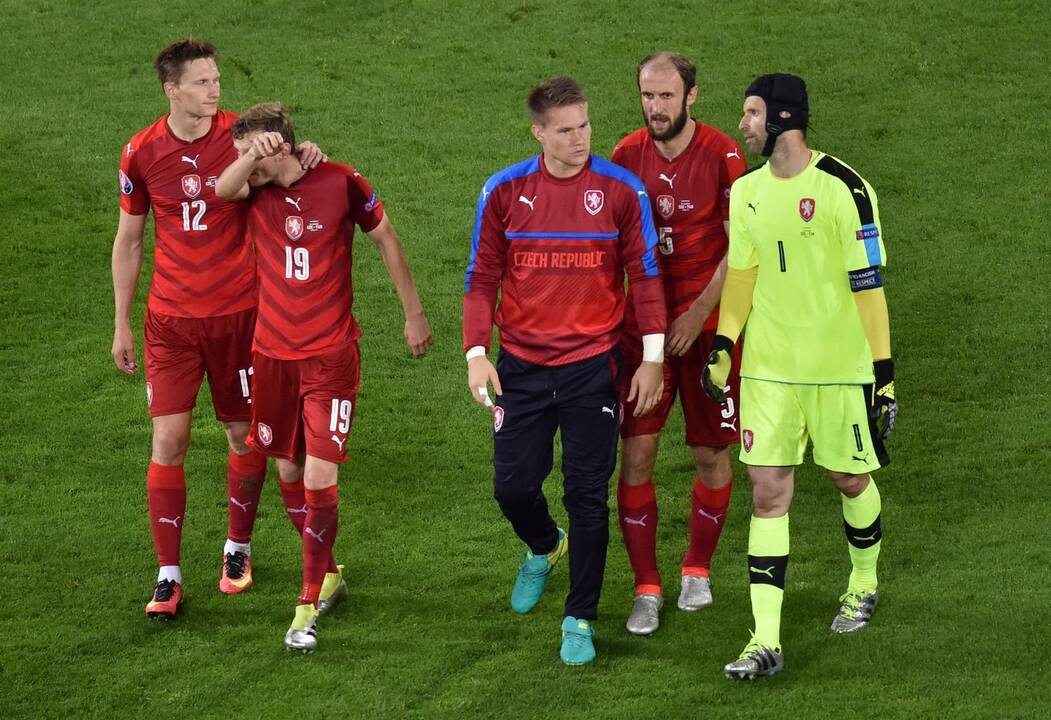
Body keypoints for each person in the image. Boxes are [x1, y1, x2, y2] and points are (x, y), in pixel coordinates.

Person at [111, 38, 328, 618]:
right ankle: (169, 574)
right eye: (203, 82)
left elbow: (292, 172)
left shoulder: (239, 136)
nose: (215, 90)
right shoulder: (140, 152)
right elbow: (130, 239)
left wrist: (303, 151)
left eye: (216, 79)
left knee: (242, 436)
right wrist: (121, 324)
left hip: (239, 318)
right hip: (171, 323)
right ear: (171, 90)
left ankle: (238, 547)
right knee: (169, 441)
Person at [463, 76, 667, 665]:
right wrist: (477, 352)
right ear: (539, 134)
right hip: (521, 369)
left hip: (591, 369)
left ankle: (579, 617)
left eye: (585, 125)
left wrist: (651, 360)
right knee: (513, 487)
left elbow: (646, 279)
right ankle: (544, 545)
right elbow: (481, 279)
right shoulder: (504, 192)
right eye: (566, 130)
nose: (580, 139)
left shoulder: (622, 191)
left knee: (588, 496)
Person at [701, 74, 898, 679]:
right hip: (769, 372)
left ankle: (862, 583)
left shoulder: (846, 189)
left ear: (784, 118)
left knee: (847, 478)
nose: (744, 124)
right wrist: (725, 345)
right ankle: (764, 640)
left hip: (839, 369)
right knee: (768, 491)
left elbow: (869, 290)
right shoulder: (746, 191)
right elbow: (742, 276)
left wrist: (883, 377)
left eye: (753, 113)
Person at [216, 102, 432, 651]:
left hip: (330, 356)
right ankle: (330, 571)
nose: (244, 162)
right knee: (286, 466)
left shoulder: (341, 182)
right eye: (240, 152)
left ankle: (306, 605)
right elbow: (222, 189)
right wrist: (251, 159)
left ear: (284, 145)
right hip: (272, 357)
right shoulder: (252, 190)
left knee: (318, 477)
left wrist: (413, 313)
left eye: (253, 150)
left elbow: (386, 238)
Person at [610, 52, 747, 635]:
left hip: (710, 331)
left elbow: (741, 248)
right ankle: (647, 587)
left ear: (691, 97)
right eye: (647, 95)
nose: (655, 107)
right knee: (636, 454)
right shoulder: (624, 155)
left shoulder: (723, 156)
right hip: (642, 334)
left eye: (667, 96)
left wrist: (695, 314)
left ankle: (697, 568)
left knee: (711, 454)